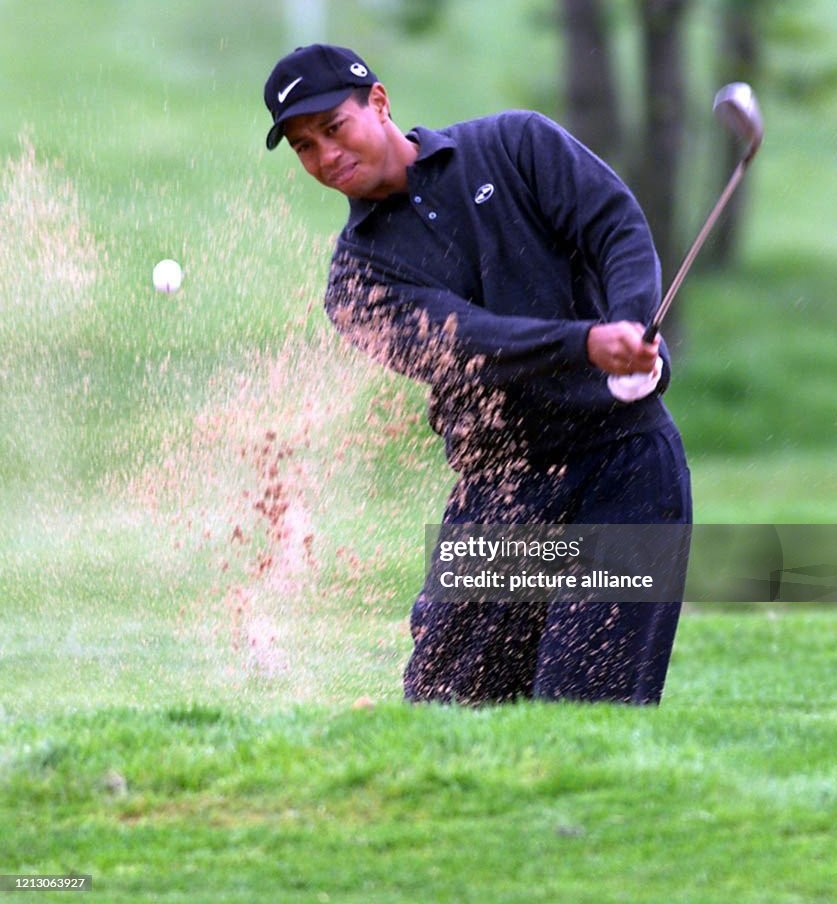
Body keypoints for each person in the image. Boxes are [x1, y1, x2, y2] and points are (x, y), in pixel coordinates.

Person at [262, 43, 692, 706]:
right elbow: (460, 341)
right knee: (448, 714)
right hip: (500, 488)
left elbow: (615, 227)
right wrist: (584, 343)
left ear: (378, 102)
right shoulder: (356, 281)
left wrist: (634, 325)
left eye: (332, 128)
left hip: (624, 468)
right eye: (303, 147)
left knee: (584, 710)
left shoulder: (514, 145)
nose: (324, 156)